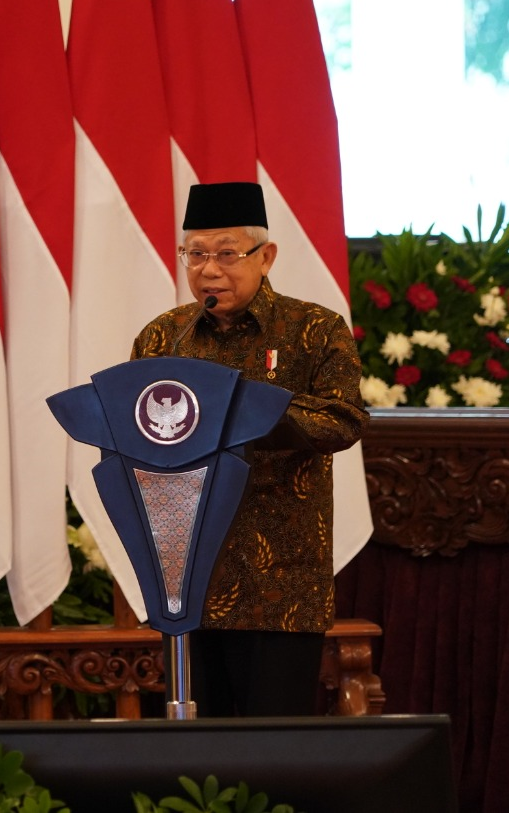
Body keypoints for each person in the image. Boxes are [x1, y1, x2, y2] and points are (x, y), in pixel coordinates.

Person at [130, 181, 367, 717]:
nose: (208, 270)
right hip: (187, 576)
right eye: (195, 254)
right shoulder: (161, 339)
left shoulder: (314, 328)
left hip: (277, 583)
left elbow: (344, 420)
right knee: (196, 764)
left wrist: (250, 412)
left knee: (271, 755)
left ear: (266, 257)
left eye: (226, 254)